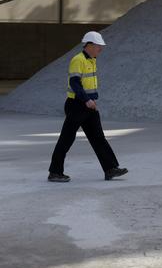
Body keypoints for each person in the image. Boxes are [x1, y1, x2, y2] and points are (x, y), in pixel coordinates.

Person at [48, 31, 128, 182]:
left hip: (88, 105)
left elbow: (88, 83)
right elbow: (75, 83)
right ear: (90, 45)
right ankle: (55, 172)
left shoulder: (92, 60)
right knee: (66, 139)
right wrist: (86, 100)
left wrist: (91, 100)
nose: (101, 49)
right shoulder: (78, 60)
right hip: (76, 105)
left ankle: (110, 169)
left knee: (99, 137)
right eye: (99, 46)